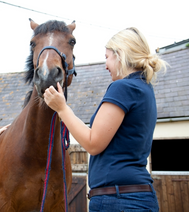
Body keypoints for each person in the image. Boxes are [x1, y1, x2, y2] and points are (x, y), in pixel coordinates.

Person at [44, 27, 167, 211]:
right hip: (136, 197)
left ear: (120, 55)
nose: (105, 64)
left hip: (118, 200)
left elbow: (93, 143)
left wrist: (62, 108)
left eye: (107, 57)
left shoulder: (122, 87)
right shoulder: (144, 88)